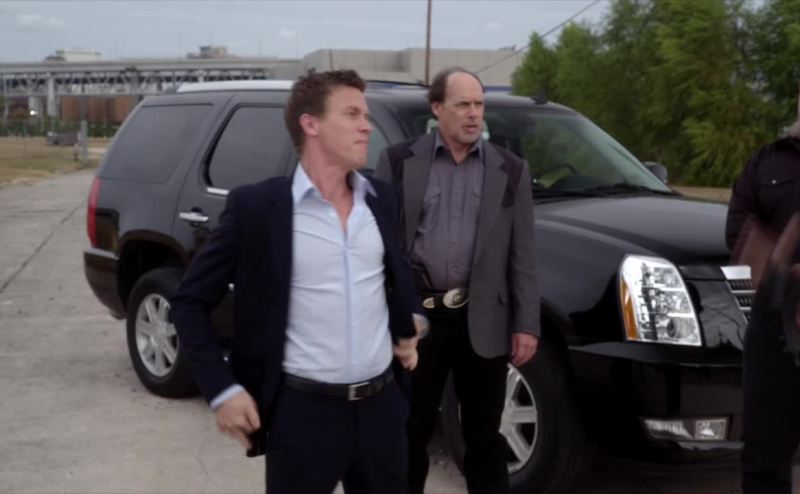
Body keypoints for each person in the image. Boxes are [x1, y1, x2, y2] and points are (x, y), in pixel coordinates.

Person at [170, 69, 422, 494]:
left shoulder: (381, 199)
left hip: (381, 409)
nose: (367, 126)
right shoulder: (257, 209)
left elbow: (398, 274)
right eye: (352, 114)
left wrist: (412, 323)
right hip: (303, 416)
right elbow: (188, 303)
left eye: (366, 115)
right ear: (311, 124)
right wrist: (221, 390)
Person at [376, 67, 540, 494]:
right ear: (437, 108)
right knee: (409, 431)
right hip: (419, 321)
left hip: (482, 319)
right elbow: (380, 248)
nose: (473, 114)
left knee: (484, 436)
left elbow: (523, 254)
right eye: (463, 105)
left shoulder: (511, 169)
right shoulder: (398, 162)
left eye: (479, 104)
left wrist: (526, 324)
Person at [726, 114, 800, 494]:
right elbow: (736, 232)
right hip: (773, 329)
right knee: (763, 459)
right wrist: (783, 268)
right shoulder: (767, 160)